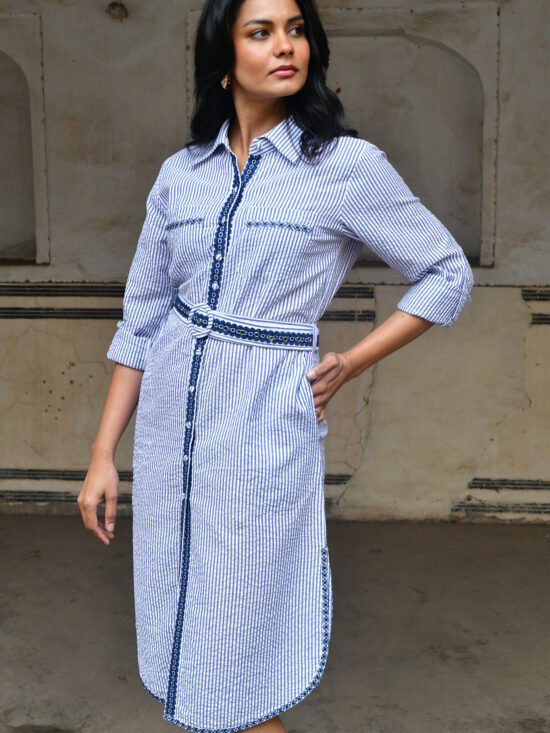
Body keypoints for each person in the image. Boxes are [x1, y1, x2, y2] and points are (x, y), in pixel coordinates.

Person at [77, 0, 475, 728]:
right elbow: (142, 322)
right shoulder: (179, 176)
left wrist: (351, 361)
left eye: (296, 30)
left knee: (237, 658)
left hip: (263, 424)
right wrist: (104, 454)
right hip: (169, 432)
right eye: (261, 32)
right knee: (184, 641)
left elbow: (446, 271)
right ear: (223, 59)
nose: (285, 45)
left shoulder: (346, 167)